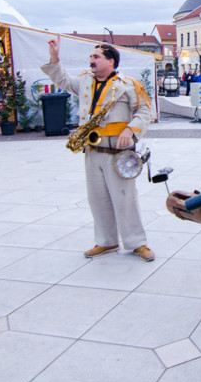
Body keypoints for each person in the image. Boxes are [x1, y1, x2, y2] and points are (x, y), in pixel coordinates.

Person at [42, 38, 155, 262]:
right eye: (91, 57)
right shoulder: (85, 81)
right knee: (98, 199)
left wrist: (131, 131)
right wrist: (54, 58)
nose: (91, 61)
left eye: (96, 57)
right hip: (93, 151)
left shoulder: (129, 84)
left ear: (111, 61)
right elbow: (63, 80)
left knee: (125, 199)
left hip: (118, 152)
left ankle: (137, 243)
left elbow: (144, 110)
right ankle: (106, 241)